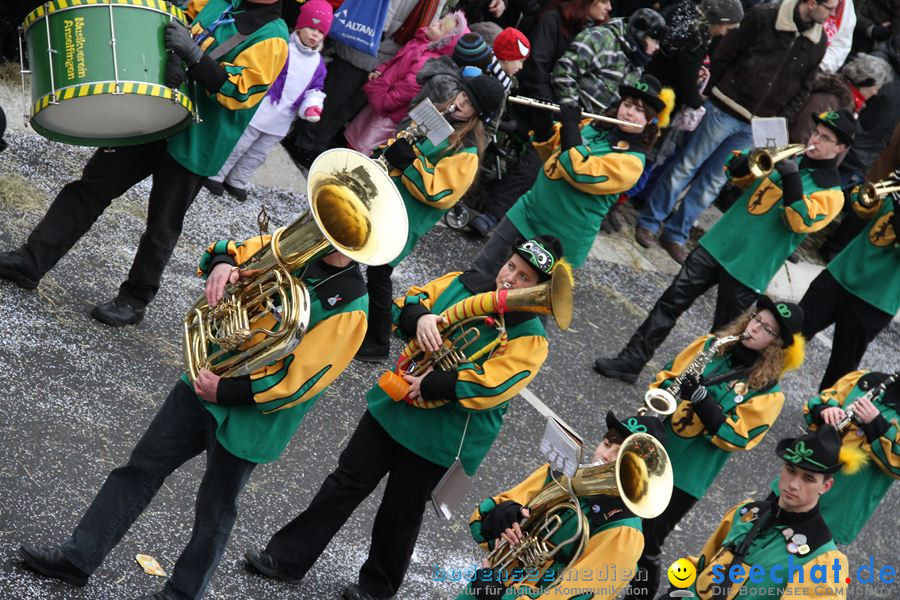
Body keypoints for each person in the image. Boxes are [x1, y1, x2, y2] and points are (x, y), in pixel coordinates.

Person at [17, 234, 370, 600]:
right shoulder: (293, 245)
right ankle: (77, 558)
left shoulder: (352, 305)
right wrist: (222, 266)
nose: (336, 233)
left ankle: (183, 594)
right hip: (206, 377)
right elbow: (231, 248)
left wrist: (226, 391)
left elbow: (302, 381)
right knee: (139, 468)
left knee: (214, 512)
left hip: (251, 414)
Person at [242, 237, 564, 600]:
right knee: (343, 483)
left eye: (523, 278)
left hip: (442, 436)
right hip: (394, 406)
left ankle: (376, 590)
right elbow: (407, 303)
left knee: (400, 513)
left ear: (537, 289)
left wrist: (431, 384)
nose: (509, 279)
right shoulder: (464, 283)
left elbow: (494, 386)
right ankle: (286, 559)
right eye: (510, 267)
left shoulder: (531, 337)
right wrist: (421, 318)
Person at [0, 0, 289, 326]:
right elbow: (176, 20)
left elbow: (238, 92)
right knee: (90, 187)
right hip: (153, 112)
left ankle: (135, 300)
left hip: (197, 139)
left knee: (162, 227)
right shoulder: (220, 2)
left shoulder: (273, 37)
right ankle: (31, 261)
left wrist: (194, 57)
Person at [594, 109, 852, 384]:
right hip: (718, 244)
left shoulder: (832, 194)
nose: (815, 139)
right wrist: (749, 160)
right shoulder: (791, 157)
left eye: (825, 138)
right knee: (669, 303)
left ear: (840, 148)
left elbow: (799, 221)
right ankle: (631, 361)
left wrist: (791, 177)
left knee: (725, 337)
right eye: (815, 132)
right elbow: (736, 174)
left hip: (749, 267)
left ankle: (694, 391)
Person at [626, 296, 805, 600]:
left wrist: (701, 399)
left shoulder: (769, 395)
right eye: (756, 319)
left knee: (647, 541)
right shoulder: (711, 346)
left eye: (767, 329)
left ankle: (638, 596)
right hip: (653, 445)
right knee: (617, 518)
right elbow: (666, 376)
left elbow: (738, 437)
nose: (755, 328)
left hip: (685, 476)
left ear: (777, 345)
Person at [634, 0, 834, 264]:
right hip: (725, 106)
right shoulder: (765, 16)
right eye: (829, 8)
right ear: (811, 3)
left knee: (715, 181)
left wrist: (778, 121)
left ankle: (676, 234)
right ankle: (650, 221)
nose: (832, 14)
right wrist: (709, 95)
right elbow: (726, 54)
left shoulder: (818, 42)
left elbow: (803, 89)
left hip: (759, 123)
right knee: (687, 165)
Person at [356, 74, 506, 361]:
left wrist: (410, 162)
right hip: (384, 199)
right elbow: (405, 141)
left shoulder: (468, 152)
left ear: (479, 114)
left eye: (469, 103)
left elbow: (439, 192)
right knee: (355, 256)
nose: (460, 102)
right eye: (462, 94)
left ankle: (376, 341)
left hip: (405, 217)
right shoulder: (440, 115)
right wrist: (389, 150)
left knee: (379, 272)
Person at [471, 74, 666, 279]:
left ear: (650, 120)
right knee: (481, 271)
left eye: (639, 110)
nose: (629, 113)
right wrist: (543, 124)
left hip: (559, 236)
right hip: (528, 212)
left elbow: (578, 171)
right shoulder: (594, 127)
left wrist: (571, 127)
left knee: (520, 301)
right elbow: (553, 152)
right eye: (627, 105)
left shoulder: (632, 162)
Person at [456, 411, 667, 600]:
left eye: (620, 456)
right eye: (607, 444)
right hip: (487, 584)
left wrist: (501, 595)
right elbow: (480, 523)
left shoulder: (623, 532)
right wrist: (504, 516)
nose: (605, 455)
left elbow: (579, 593)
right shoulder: (558, 476)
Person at [468, 0, 614, 238]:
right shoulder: (552, 20)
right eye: (604, 1)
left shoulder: (588, 30)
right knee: (544, 151)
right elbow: (535, 67)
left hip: (556, 104)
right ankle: (493, 213)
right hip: (531, 97)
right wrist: (553, 108)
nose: (609, 7)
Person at [656, 426, 849, 600]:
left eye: (808, 478)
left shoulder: (823, 560)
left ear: (826, 486)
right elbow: (704, 563)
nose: (793, 484)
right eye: (790, 470)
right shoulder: (747, 511)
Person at [203, 0, 332, 202]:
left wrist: (312, 105)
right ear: (299, 26)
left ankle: (237, 180)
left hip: (281, 120)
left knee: (258, 154)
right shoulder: (283, 47)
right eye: (311, 28)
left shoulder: (318, 64)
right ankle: (216, 173)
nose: (315, 35)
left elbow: (315, 88)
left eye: (320, 32)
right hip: (259, 110)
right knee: (237, 144)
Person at [782, 369, 900, 545]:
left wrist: (877, 425)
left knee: (798, 561)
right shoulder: (866, 380)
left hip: (840, 504)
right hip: (798, 481)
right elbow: (823, 399)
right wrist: (825, 410)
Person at [799, 187, 899, 391]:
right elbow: (860, 202)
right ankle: (748, 389)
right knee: (791, 333)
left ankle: (823, 419)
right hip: (839, 274)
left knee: (840, 369)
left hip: (875, 300)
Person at [343, 11, 468, 156]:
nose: (434, 24)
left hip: (389, 111)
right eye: (438, 21)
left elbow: (409, 88)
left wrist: (385, 102)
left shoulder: (427, 60)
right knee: (359, 133)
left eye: (439, 27)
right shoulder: (420, 43)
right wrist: (380, 71)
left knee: (367, 142)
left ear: (444, 42)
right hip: (382, 100)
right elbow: (396, 60)